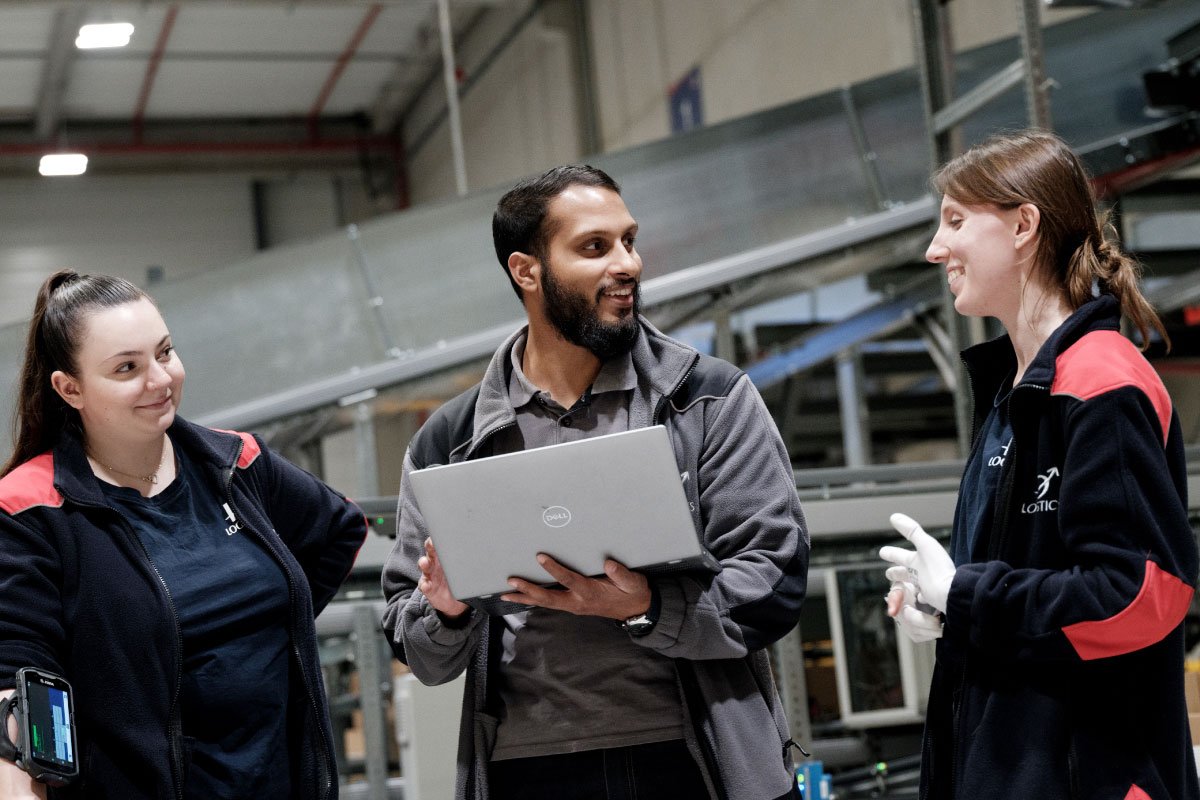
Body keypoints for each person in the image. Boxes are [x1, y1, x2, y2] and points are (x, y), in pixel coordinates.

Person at [380, 164, 810, 800]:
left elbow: (773, 578)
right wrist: (443, 608)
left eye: (629, 241)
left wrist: (645, 606)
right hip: (528, 766)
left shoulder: (708, 399)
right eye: (595, 247)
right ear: (527, 271)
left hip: (696, 761)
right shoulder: (448, 443)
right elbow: (416, 649)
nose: (628, 263)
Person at [879, 130, 1200, 800]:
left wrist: (967, 594)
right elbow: (1031, 595)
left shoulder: (1102, 384)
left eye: (955, 221)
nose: (936, 249)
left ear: (1024, 224)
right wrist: (946, 611)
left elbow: (1142, 595)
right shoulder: (1012, 393)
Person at [0, 270, 368, 799]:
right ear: (70, 388)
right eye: (127, 367)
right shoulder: (30, 508)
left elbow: (338, 530)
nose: (160, 379)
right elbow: (18, 680)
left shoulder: (237, 461)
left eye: (165, 353)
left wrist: (274, 629)